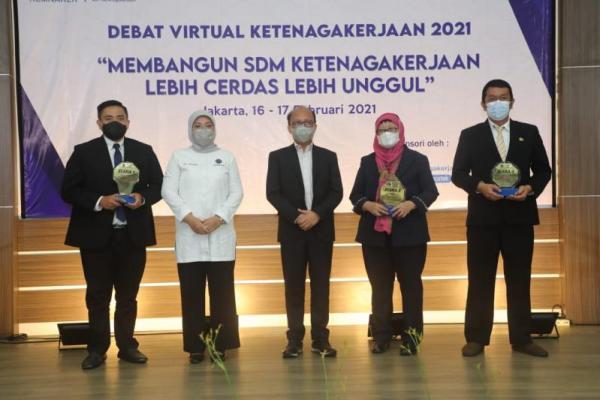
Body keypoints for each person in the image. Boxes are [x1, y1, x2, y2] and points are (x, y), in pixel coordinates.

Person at [452, 79, 552, 357]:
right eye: (492, 98)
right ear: (483, 104)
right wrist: (479, 186)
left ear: (512, 102)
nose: (498, 102)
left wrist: (529, 188)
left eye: (503, 97)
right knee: (480, 280)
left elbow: (544, 171)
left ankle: (522, 338)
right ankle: (476, 338)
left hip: (520, 218)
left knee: (519, 279)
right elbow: (458, 174)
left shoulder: (528, 132)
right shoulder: (470, 135)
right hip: (482, 220)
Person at [61, 100, 163, 369]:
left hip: (133, 235)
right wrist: (99, 201)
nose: (115, 122)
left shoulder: (143, 150)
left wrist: (142, 197)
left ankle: (127, 347)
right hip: (95, 237)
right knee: (97, 296)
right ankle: (97, 349)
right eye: (108, 118)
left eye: (120, 117)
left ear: (128, 121)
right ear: (99, 123)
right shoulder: (83, 152)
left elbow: (159, 186)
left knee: (128, 297)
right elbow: (68, 190)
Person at [349, 112, 438, 355]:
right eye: (382, 130)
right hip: (375, 237)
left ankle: (412, 339)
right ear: (376, 134)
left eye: (391, 129)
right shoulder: (368, 162)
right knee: (380, 289)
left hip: (410, 235)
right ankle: (381, 337)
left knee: (411, 288)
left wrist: (411, 204)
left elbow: (430, 192)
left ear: (400, 131)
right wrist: (368, 205)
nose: (387, 133)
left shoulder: (417, 160)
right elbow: (355, 195)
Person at [161, 110, 243, 363]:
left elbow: (236, 193)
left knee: (223, 296)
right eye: (198, 125)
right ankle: (195, 348)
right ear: (190, 129)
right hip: (189, 235)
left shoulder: (227, 157)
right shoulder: (179, 157)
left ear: (215, 129)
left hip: (221, 235)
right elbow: (168, 191)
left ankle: (221, 345)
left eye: (208, 125)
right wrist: (190, 219)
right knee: (191, 295)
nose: (204, 129)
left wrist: (219, 217)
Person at [266, 106, 343, 358]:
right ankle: (294, 340)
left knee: (321, 286)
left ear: (315, 126)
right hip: (292, 231)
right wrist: (297, 216)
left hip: (321, 231)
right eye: (298, 123)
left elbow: (337, 192)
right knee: (294, 287)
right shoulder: (277, 157)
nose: (303, 126)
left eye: (308, 122)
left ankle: (321, 339)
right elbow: (272, 193)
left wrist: (317, 214)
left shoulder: (328, 156)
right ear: (289, 127)